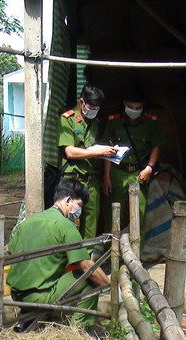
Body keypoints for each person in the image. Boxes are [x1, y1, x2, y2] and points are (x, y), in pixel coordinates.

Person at [7, 178, 110, 327]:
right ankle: (79, 331)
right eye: (79, 205)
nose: (79, 212)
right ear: (68, 200)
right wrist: (110, 286)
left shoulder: (30, 221)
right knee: (89, 279)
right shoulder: (67, 227)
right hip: (38, 298)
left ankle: (30, 315)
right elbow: (88, 268)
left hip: (16, 295)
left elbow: (9, 249)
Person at [102, 86, 165, 240]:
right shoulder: (114, 122)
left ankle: (137, 254)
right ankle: (111, 252)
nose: (134, 110)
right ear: (124, 103)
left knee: (139, 213)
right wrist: (106, 177)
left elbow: (156, 145)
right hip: (117, 173)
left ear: (142, 107)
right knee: (113, 213)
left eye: (137, 108)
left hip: (139, 173)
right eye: (130, 107)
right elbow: (107, 151)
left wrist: (150, 167)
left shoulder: (150, 123)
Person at [58, 84, 116, 240]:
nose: (93, 111)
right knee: (69, 223)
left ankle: (86, 261)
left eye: (97, 108)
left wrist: (108, 152)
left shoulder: (95, 124)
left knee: (91, 226)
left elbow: (93, 151)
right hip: (73, 180)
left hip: (92, 181)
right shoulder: (68, 120)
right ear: (81, 102)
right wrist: (98, 151)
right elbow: (70, 151)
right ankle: (70, 263)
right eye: (91, 107)